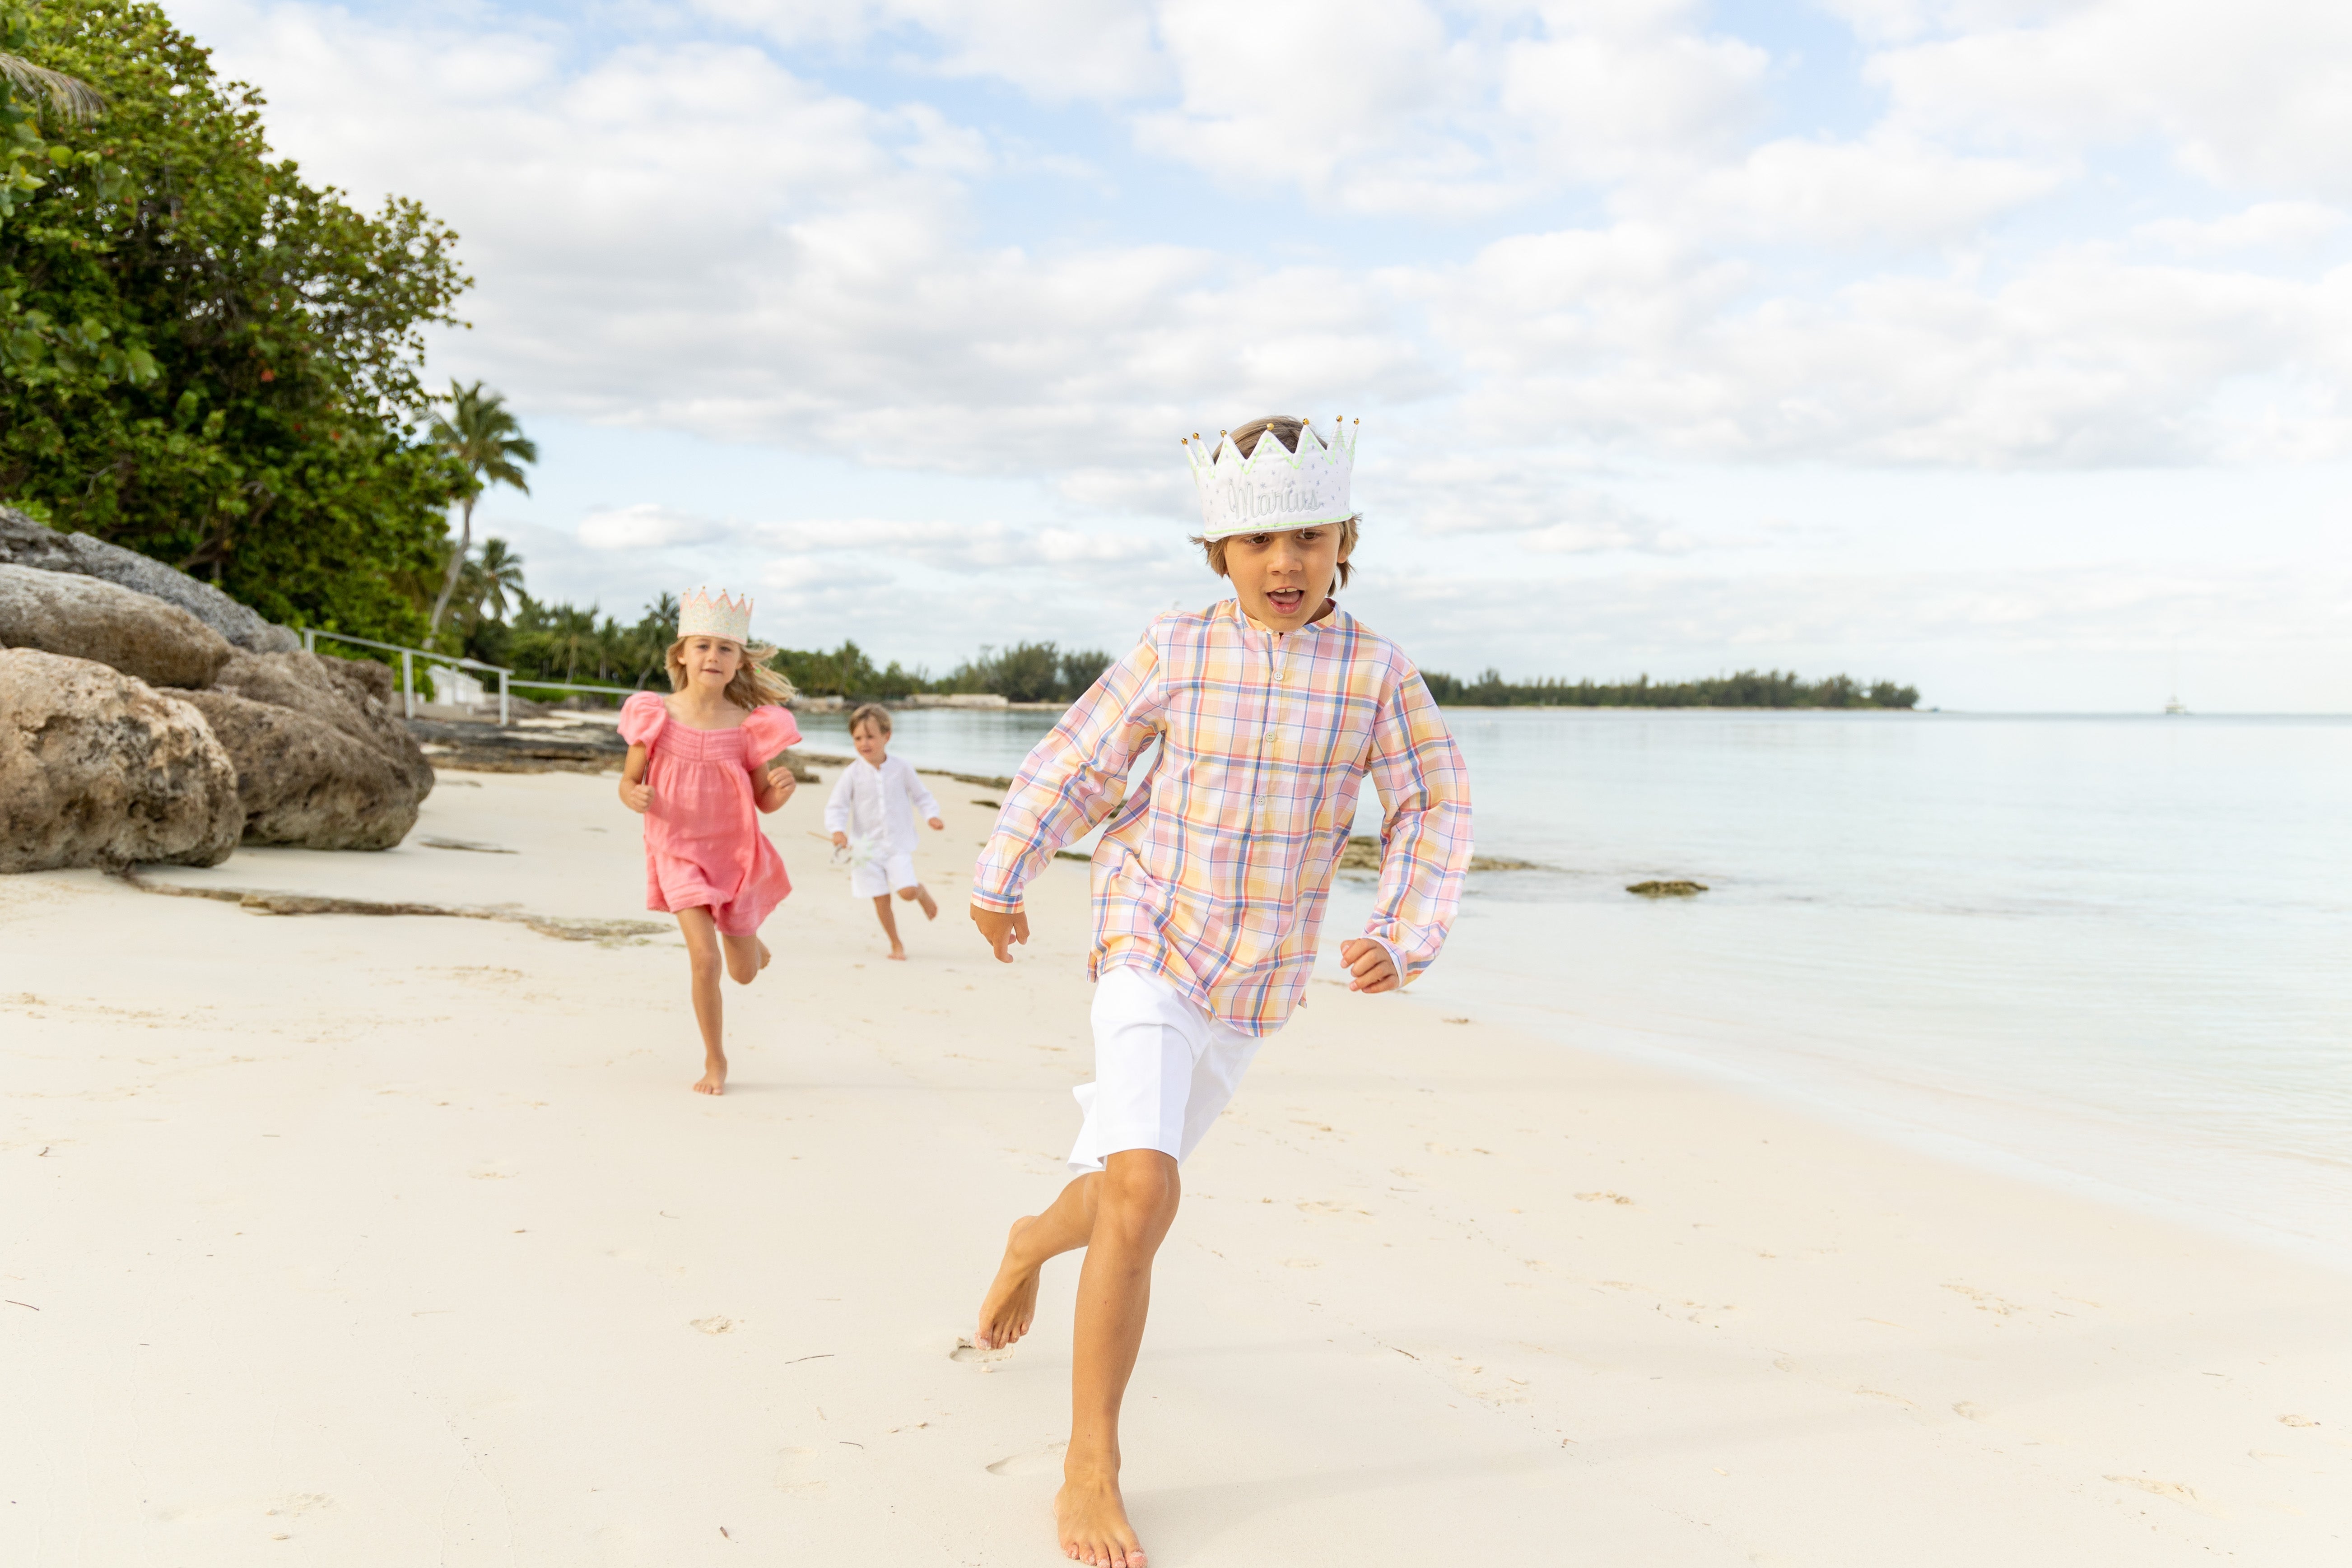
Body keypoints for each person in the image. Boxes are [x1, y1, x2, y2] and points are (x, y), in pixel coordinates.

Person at [964, 415, 1471, 1568]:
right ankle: (1091, 1461)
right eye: (1255, 542)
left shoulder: (1379, 674)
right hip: (1149, 929)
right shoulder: (1176, 647)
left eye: (1306, 536)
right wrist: (1006, 869)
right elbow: (1082, 759)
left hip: (1256, 979)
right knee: (1144, 1192)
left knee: (1121, 1198)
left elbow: (1434, 805)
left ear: (1346, 539)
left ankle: (1029, 1240)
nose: (1282, 563)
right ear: (1218, 553)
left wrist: (1404, 927)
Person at [616, 588, 802, 1096]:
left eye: (725, 648)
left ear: (739, 660)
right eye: (702, 646)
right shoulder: (654, 714)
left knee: (743, 973)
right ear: (681, 653)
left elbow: (763, 799)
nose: (712, 657)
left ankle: (753, 944)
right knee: (705, 958)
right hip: (676, 849)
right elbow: (628, 780)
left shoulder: (747, 726)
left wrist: (780, 792)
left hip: (735, 855)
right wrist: (633, 794)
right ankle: (715, 1059)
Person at [824, 703, 946, 959]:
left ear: (886, 736)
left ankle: (920, 891)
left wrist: (931, 816)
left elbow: (921, 796)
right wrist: (838, 831)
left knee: (906, 892)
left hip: (897, 845)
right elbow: (838, 806)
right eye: (858, 738)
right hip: (865, 849)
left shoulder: (902, 768)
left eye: (870, 736)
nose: (864, 743)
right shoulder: (852, 773)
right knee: (881, 899)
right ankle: (896, 944)